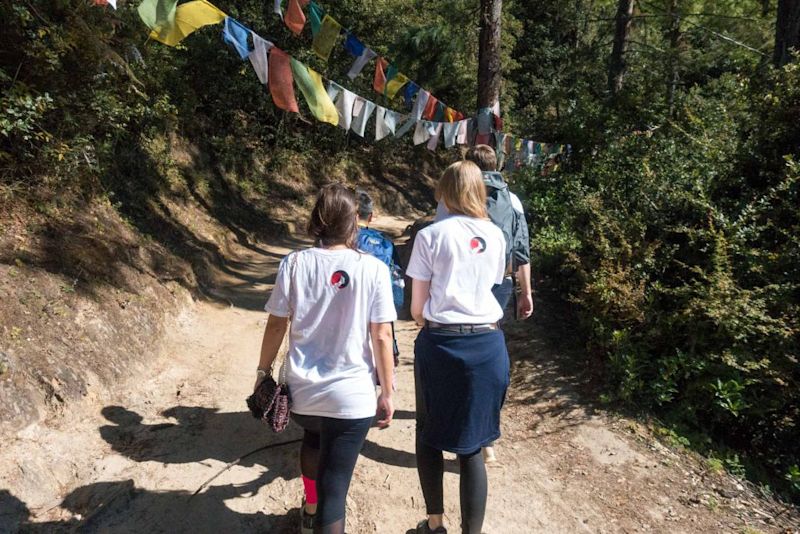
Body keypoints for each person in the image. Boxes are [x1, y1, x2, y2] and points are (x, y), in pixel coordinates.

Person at [255, 183, 396, 534]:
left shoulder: (294, 263)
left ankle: (309, 507)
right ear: (355, 223)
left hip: (303, 396)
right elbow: (382, 336)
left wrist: (262, 372)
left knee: (315, 439)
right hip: (353, 398)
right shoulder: (374, 269)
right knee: (337, 490)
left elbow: (276, 325)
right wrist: (388, 392)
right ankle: (321, 508)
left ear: (317, 219)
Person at [406, 161, 510, 534]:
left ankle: (434, 524)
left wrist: (433, 321)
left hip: (442, 344)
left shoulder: (431, 235)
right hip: (488, 344)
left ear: (445, 190)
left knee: (429, 434)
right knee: (472, 445)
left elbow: (417, 308)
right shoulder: (497, 235)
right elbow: (494, 284)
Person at [464, 144, 534, 463]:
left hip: (465, 281)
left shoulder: (461, 194)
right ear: (498, 165)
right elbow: (521, 251)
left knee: (464, 348)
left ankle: (466, 424)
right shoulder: (513, 200)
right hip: (501, 284)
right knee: (488, 351)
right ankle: (487, 436)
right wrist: (526, 292)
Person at [355, 189, 404, 363]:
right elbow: (397, 285)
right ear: (371, 216)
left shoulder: (342, 241)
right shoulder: (385, 243)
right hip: (380, 314)